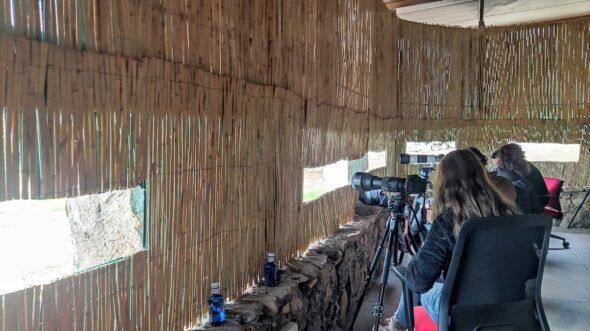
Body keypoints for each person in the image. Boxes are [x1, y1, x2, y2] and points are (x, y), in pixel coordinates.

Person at [393, 149, 519, 329]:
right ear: (482, 174)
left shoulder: (449, 222)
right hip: (510, 305)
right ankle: (397, 323)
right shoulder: (509, 212)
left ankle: (397, 324)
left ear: (444, 182)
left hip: (460, 312)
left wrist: (424, 247)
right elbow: (529, 267)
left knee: (412, 277)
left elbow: (418, 282)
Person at [494, 143, 548, 213]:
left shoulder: (507, 173)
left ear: (502, 157)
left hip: (532, 208)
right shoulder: (529, 166)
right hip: (540, 204)